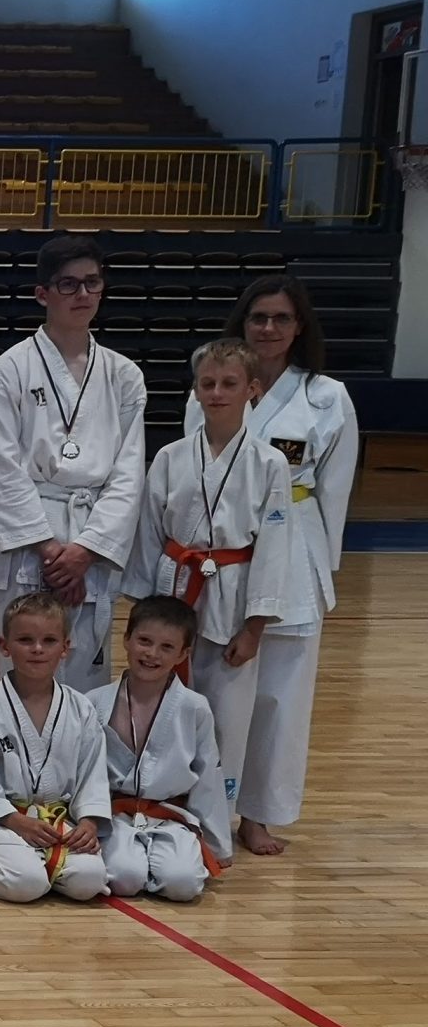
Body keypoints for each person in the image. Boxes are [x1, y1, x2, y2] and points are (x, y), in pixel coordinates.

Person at [192, 272, 355, 855]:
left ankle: (259, 815)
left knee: (282, 699)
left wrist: (322, 570)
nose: (268, 328)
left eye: (281, 318)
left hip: (295, 551)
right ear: (243, 322)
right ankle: (205, 808)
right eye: (258, 317)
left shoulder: (326, 396)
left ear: (299, 326)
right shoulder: (213, 384)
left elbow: (335, 488)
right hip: (224, 555)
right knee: (219, 694)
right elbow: (194, 477)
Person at [0, 236, 149, 693]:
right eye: (68, 284)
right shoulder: (9, 370)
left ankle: (81, 746)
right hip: (30, 545)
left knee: (86, 676)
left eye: (92, 283)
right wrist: (50, 550)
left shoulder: (123, 375)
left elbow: (128, 474)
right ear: (43, 293)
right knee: (24, 671)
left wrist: (85, 551)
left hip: (90, 539)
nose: (82, 294)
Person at [127, 337, 292, 798]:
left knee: (227, 714)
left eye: (229, 383)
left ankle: (216, 813)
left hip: (232, 596)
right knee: (162, 703)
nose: (217, 393)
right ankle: (160, 801)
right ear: (195, 391)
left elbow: (274, 548)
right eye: (208, 384)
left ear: (252, 390)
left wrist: (254, 628)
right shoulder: (170, 456)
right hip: (174, 587)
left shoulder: (270, 462)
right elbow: (149, 533)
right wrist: (144, 614)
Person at [0, 591, 112, 903]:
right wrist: (16, 821)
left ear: (65, 647)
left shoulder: (80, 708)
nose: (37, 649)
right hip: (4, 823)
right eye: (25, 640)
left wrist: (89, 821)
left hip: (57, 822)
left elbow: (92, 773)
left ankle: (40, 867)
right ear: (5, 646)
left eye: (49, 641)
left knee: (90, 881)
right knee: (27, 883)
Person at [92, 597, 231, 904]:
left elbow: (208, 775)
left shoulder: (194, 707)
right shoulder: (95, 702)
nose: (152, 654)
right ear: (126, 640)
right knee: (124, 877)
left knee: (183, 883)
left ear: (183, 654)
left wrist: (218, 844)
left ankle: (159, 863)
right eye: (144, 641)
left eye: (167, 647)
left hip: (171, 816)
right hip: (114, 815)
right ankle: (139, 863)